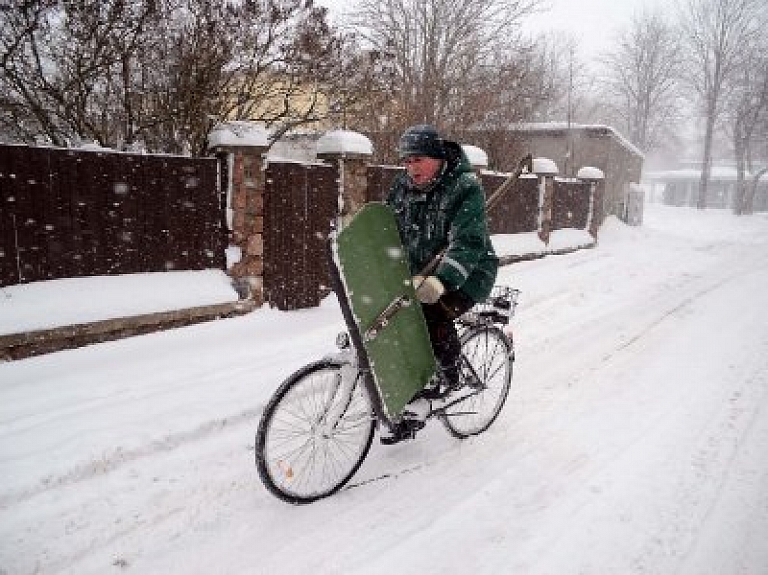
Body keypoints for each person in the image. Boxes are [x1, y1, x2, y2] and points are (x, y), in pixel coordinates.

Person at [381, 125, 498, 444]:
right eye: (406, 161)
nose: (411, 168)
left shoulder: (464, 187)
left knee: (430, 315)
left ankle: (447, 377)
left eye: (418, 159)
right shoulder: (402, 186)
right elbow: (385, 227)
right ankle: (410, 388)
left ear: (437, 158)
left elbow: (468, 242)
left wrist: (442, 281)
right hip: (419, 273)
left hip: (469, 274)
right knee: (391, 318)